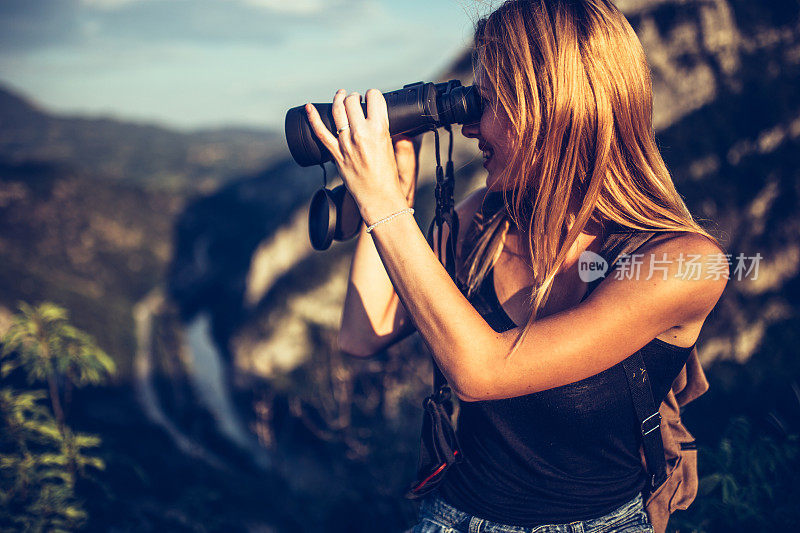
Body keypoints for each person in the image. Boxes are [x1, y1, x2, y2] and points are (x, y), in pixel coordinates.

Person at [304, 0, 728, 531]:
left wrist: (383, 204)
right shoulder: (487, 221)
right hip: (451, 518)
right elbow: (363, 335)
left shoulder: (685, 263)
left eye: (487, 104)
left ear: (554, 108)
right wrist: (393, 195)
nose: (470, 128)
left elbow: (482, 371)